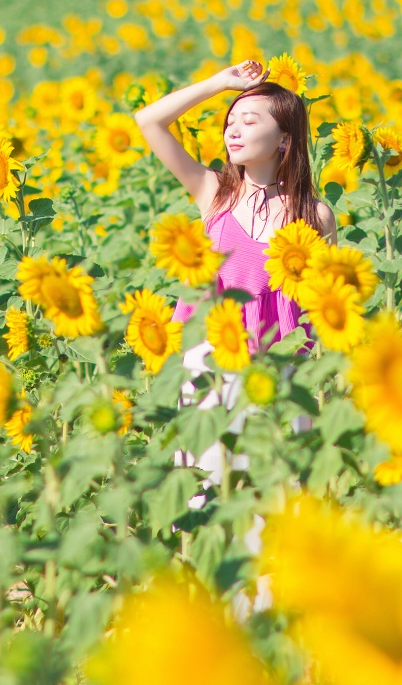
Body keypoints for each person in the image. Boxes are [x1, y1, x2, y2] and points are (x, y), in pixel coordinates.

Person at [133, 60, 336, 518]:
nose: (233, 131)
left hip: (281, 368)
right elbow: (149, 121)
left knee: (276, 492)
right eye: (230, 122)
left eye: (250, 120)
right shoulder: (214, 194)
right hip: (210, 359)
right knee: (208, 485)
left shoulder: (314, 215)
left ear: (285, 139)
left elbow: (326, 305)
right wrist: (220, 83)